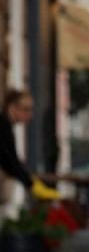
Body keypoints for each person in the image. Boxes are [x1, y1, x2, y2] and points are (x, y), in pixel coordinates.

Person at [0, 90, 34, 221]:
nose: (29, 115)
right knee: (16, 192)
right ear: (12, 107)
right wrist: (28, 182)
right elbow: (8, 159)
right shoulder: (3, 125)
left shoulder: (6, 125)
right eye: (25, 109)